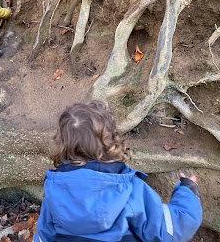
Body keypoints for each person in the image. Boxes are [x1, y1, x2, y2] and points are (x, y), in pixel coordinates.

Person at [34, 101, 202, 242]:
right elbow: (171, 229)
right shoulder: (130, 191)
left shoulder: (54, 193)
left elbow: (43, 237)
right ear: (111, 141)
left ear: (63, 146)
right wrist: (187, 192)